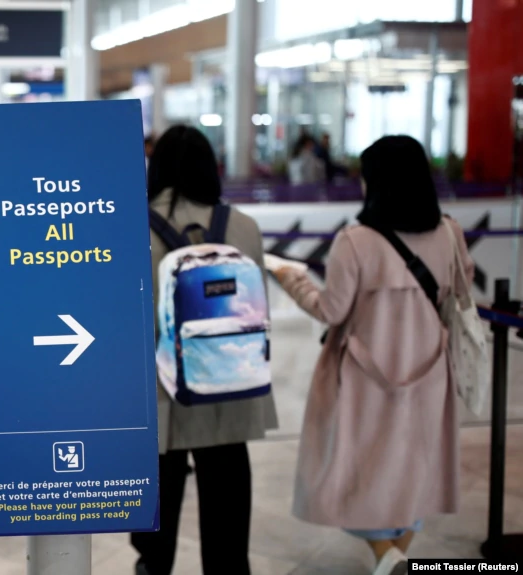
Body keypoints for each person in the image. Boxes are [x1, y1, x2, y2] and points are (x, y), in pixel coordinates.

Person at [273, 135, 469, 575]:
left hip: (366, 375)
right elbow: (458, 291)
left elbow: (331, 310)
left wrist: (292, 279)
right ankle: (398, 555)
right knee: (414, 461)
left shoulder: (355, 241)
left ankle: (387, 558)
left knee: (364, 466)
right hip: (429, 368)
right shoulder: (451, 234)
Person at [132, 125, 278, 575]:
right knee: (228, 499)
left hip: (162, 390)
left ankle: (152, 567)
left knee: (159, 501)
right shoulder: (244, 226)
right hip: (230, 380)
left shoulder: (133, 225)